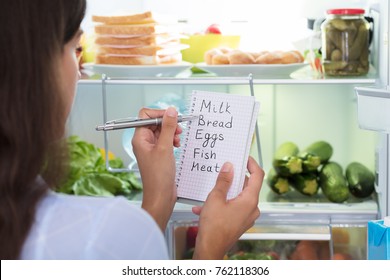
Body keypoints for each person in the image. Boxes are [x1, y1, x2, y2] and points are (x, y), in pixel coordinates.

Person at [0, 0, 264, 260]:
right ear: (33, 68)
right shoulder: (98, 230)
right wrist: (211, 246)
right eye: (75, 48)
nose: (79, 71)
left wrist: (159, 201)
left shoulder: (104, 231)